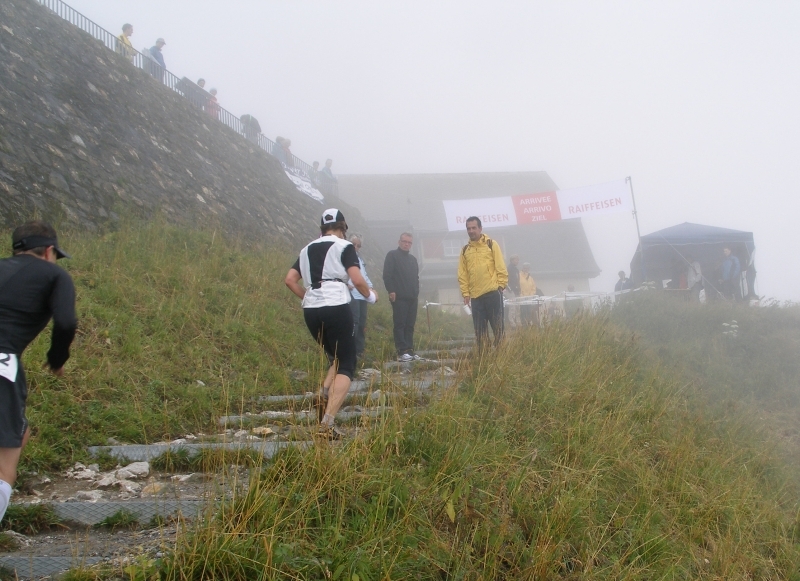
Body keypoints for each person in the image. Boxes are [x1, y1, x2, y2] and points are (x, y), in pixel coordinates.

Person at [0, 221, 77, 524]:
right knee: (5, 463)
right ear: (48, 251)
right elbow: (67, 322)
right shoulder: (55, 275)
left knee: (22, 431)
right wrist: (57, 358)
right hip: (3, 363)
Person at [284, 209, 377, 439]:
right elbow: (356, 279)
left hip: (311, 310)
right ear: (343, 227)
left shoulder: (306, 249)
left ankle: (324, 392)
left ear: (322, 228)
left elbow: (289, 280)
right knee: (347, 361)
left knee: (335, 354)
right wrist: (371, 296)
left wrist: (308, 297)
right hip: (336, 305)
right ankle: (327, 423)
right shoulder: (344, 247)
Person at [457, 217, 508, 351]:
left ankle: (502, 356)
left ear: (480, 228)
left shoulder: (491, 244)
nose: (471, 231)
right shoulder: (465, 250)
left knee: (498, 328)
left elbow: (500, 266)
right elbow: (462, 274)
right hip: (475, 297)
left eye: (474, 228)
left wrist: (501, 285)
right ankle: (484, 360)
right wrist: (465, 293)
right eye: (469, 228)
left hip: (492, 293)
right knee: (480, 332)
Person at [383, 232, 420, 362]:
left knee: (410, 325)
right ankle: (401, 351)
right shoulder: (392, 255)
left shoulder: (413, 260)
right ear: (399, 242)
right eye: (404, 241)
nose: (406, 244)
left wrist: (416, 292)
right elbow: (387, 275)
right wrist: (391, 290)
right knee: (400, 323)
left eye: (409, 242)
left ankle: (409, 350)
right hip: (399, 297)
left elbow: (416, 277)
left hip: (412, 297)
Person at [347, 234, 374, 364]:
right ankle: (351, 351)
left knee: (362, 323)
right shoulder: (344, 256)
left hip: (362, 294)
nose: (356, 247)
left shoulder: (360, 259)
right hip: (352, 293)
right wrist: (347, 284)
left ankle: (360, 350)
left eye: (358, 245)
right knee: (355, 322)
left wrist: (370, 287)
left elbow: (364, 275)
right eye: (354, 244)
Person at [518, 262, 537, 326]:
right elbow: (517, 286)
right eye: (525, 268)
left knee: (529, 312)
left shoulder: (530, 278)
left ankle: (529, 324)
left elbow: (533, 287)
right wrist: (521, 295)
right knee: (523, 312)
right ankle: (523, 324)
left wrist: (530, 295)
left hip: (529, 299)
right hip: (521, 298)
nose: (526, 269)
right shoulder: (518, 276)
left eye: (527, 268)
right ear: (522, 268)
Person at [505, 255, 521, 328]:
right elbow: (506, 280)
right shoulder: (508, 269)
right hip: (510, 291)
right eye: (515, 260)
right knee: (512, 307)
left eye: (517, 260)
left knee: (518, 307)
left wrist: (518, 289)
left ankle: (518, 322)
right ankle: (512, 323)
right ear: (511, 260)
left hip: (516, 291)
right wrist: (510, 289)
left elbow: (517, 281)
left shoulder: (516, 270)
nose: (517, 261)